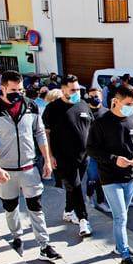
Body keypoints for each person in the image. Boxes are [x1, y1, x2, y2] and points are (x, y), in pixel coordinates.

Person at [0, 71, 60, 261]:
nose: (18, 93)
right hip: (5, 171)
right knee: (11, 207)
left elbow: (39, 133)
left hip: (29, 168)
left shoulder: (30, 106)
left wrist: (47, 159)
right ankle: (17, 237)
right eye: (14, 90)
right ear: (3, 88)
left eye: (20, 89)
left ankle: (44, 245)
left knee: (36, 207)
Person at [86, 84, 133, 264]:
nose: (132, 107)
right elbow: (91, 149)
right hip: (110, 178)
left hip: (131, 177)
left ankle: (120, 246)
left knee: (123, 216)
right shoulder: (101, 122)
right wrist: (114, 159)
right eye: (128, 103)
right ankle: (125, 257)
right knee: (120, 216)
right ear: (116, 101)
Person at [42, 75, 94, 238]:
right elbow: (46, 134)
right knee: (77, 186)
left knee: (74, 186)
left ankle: (68, 211)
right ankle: (83, 220)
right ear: (63, 89)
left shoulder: (83, 105)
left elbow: (90, 128)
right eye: (73, 89)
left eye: (78, 89)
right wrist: (49, 156)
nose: (77, 92)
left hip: (84, 156)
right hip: (64, 157)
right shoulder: (53, 108)